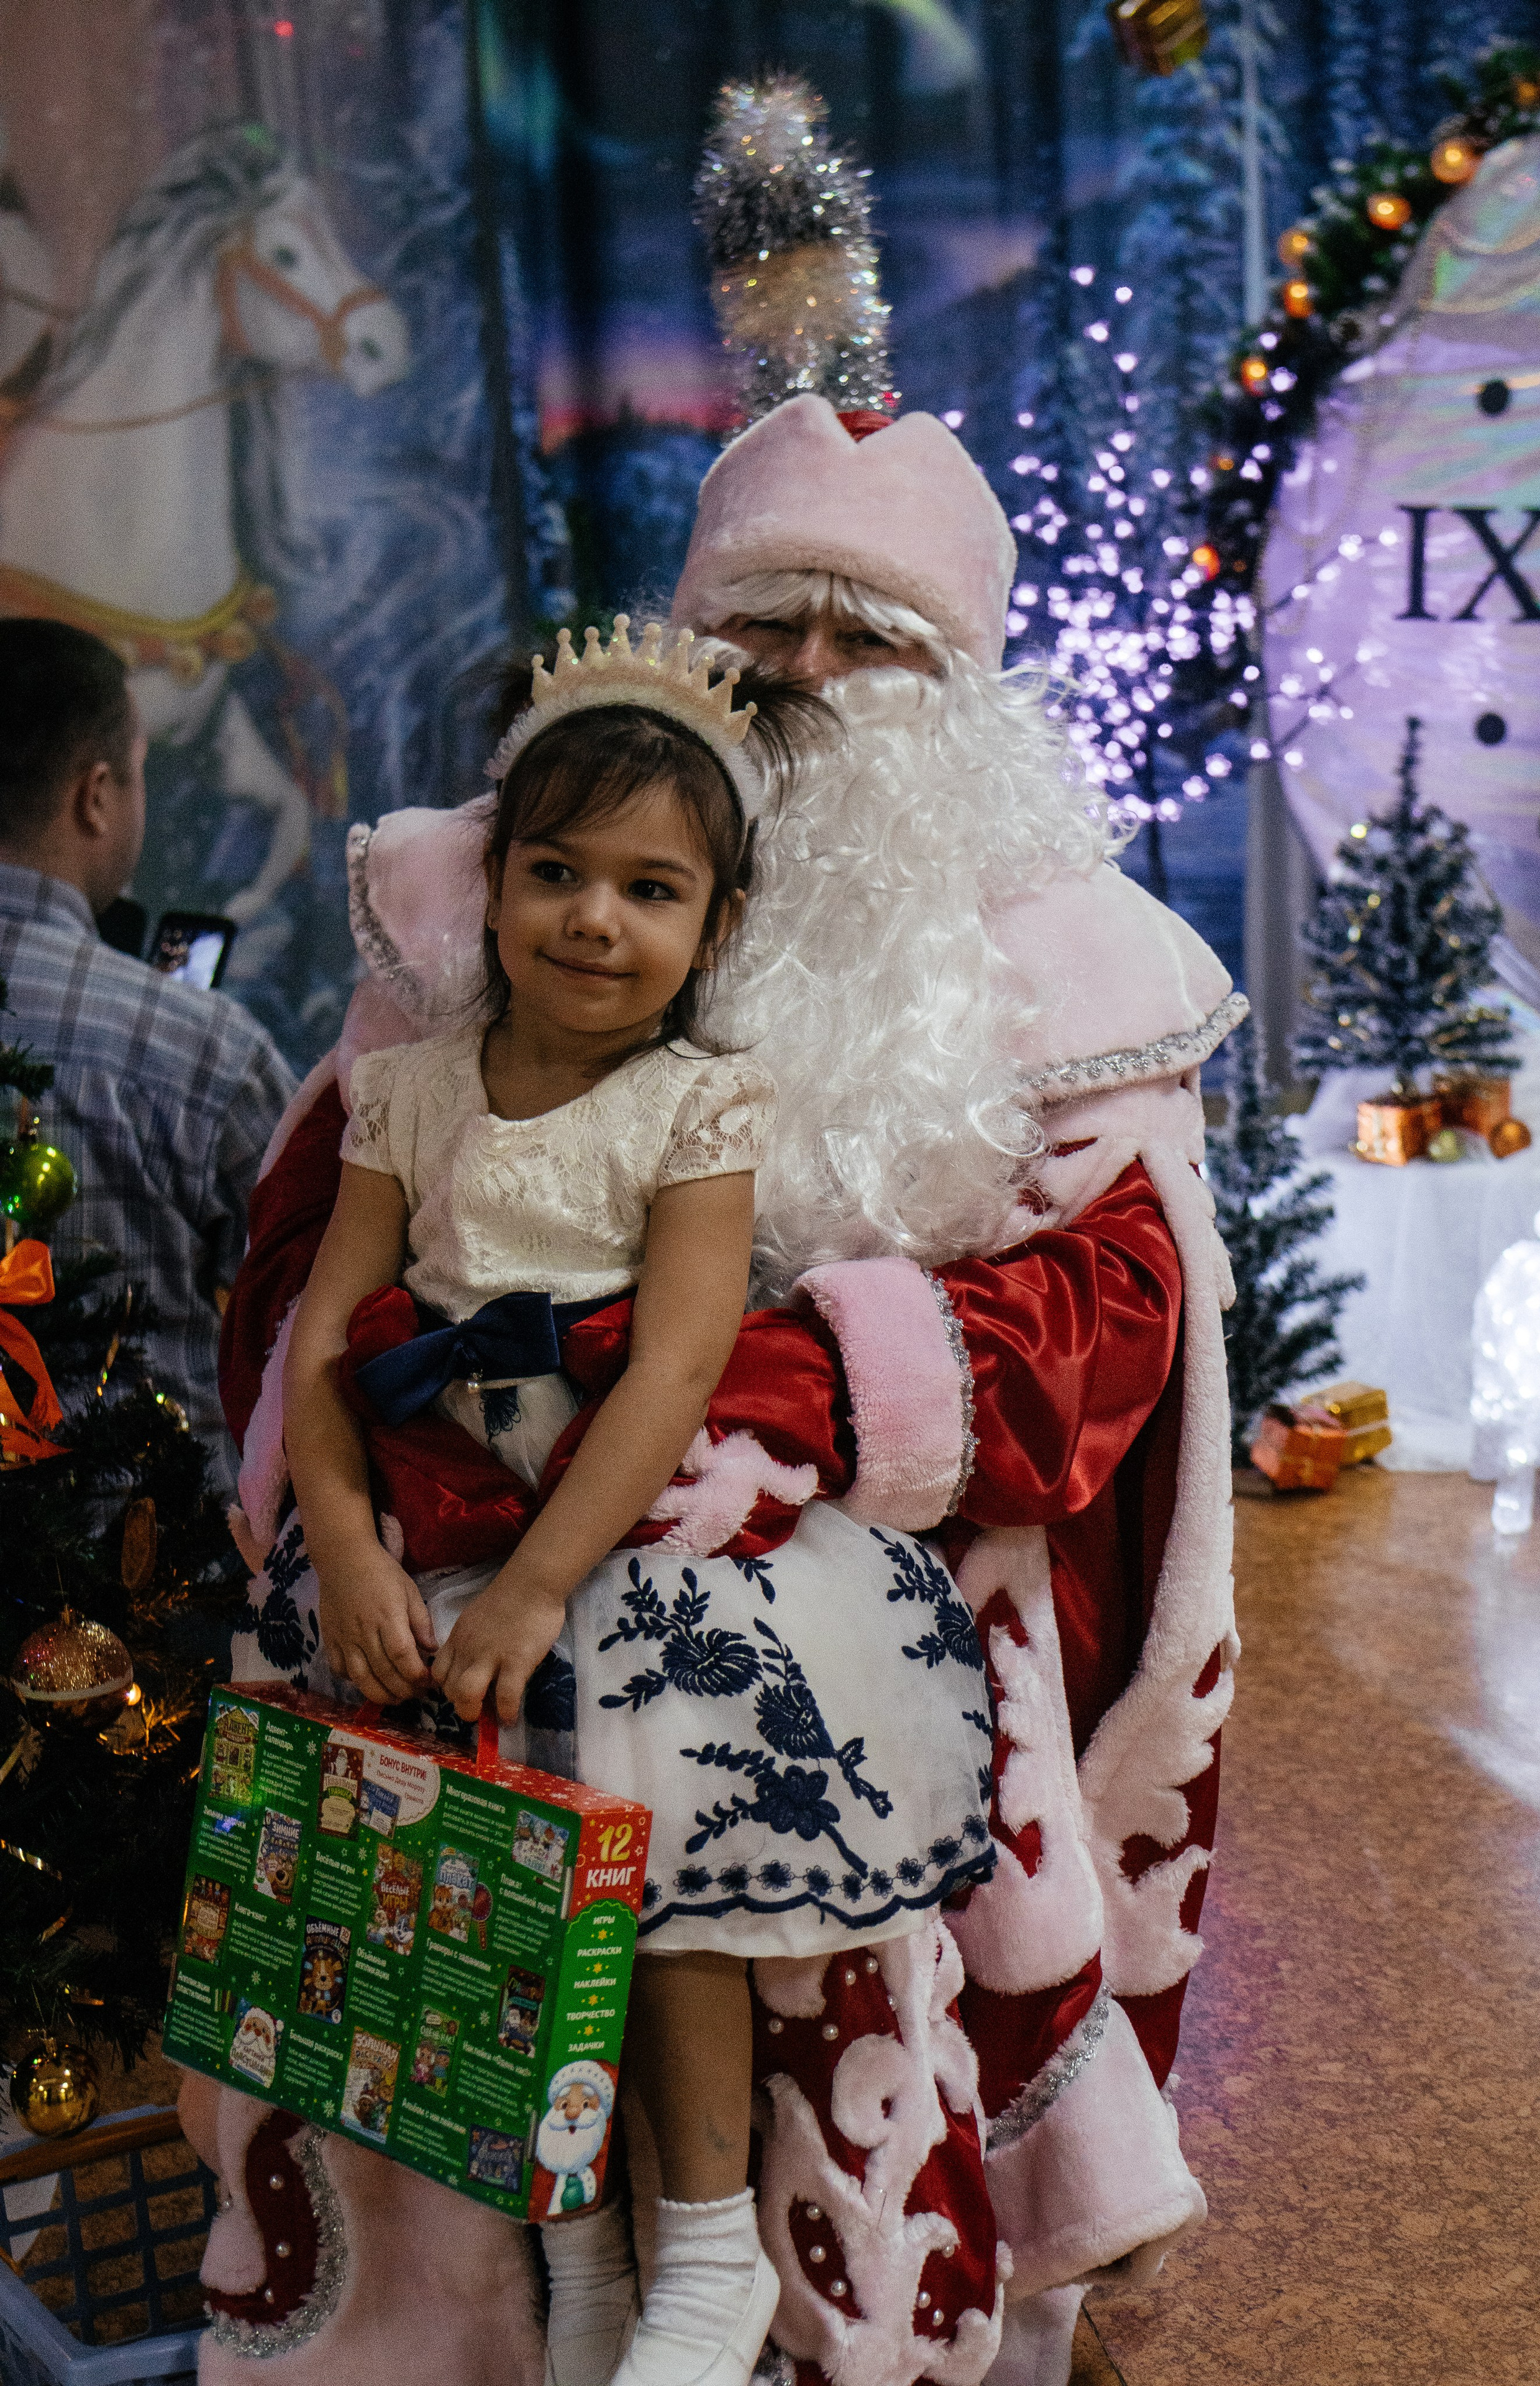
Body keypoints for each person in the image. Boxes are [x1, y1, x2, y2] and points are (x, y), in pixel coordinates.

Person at [186, 397, 1242, 2386]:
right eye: (770, 622)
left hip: (869, 1606)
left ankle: (722, 2286)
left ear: (966, 683)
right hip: (453, 1562)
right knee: (456, 1979)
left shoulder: (1086, 974)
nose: (813, 677)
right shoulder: (471, 915)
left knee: (732, 1934)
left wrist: (808, 1388)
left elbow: (1114, 1333)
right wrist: (368, 1502)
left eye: (874, 634)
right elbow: (303, 1269)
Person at [281, 620, 995, 2386]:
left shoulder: (701, 1101)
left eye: (651, 890)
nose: (596, 920)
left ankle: (704, 2254)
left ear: (715, 930)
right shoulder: (408, 1094)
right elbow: (320, 1349)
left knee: (667, 1880)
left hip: (629, 1538)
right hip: (439, 1520)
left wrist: (536, 1590)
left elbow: (676, 1367)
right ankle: (573, 2243)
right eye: (557, 873)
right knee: (488, 1892)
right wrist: (354, 1546)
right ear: (496, 887)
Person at [0, 618, 296, 1467]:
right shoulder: (199, 1048)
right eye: (136, 776)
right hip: (157, 1564)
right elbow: (313, 1303)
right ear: (95, 795)